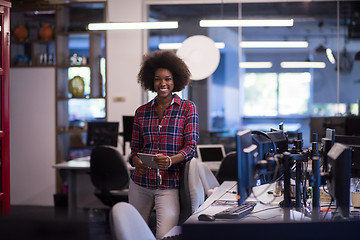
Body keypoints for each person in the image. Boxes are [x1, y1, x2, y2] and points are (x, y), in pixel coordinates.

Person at [128, 50, 199, 239]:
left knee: (164, 236)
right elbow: (135, 149)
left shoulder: (187, 108)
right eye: (158, 79)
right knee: (135, 234)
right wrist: (136, 161)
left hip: (168, 185)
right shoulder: (141, 112)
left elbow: (191, 147)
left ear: (175, 80)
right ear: (151, 81)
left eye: (167, 79)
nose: (163, 83)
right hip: (140, 183)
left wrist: (170, 160)